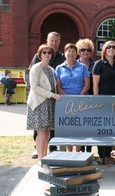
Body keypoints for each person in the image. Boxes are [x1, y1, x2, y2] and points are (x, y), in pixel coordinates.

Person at [28, 31, 65, 159]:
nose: (47, 54)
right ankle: (39, 155)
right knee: (41, 131)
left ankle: (45, 155)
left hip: (50, 102)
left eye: (49, 53)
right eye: (44, 52)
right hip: (39, 102)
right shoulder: (36, 66)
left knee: (47, 131)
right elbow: (34, 85)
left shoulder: (52, 68)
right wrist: (51, 95)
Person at [92, 40, 115, 164]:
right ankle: (102, 155)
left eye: (114, 47)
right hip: (102, 100)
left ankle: (109, 153)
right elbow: (95, 83)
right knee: (102, 127)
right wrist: (96, 100)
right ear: (105, 49)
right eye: (109, 47)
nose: (111, 49)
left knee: (112, 127)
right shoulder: (98, 64)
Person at [54, 43, 90, 152]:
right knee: (68, 128)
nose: (70, 53)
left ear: (76, 54)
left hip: (81, 101)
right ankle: (69, 152)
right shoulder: (59, 68)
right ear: (65, 53)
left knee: (79, 128)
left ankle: (78, 152)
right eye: (68, 51)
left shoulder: (82, 67)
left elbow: (87, 84)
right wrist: (68, 98)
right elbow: (58, 86)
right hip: (65, 102)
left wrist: (78, 97)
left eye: (73, 51)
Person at [75, 38, 95, 152]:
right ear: (78, 51)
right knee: (79, 126)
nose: (85, 52)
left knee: (89, 125)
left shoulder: (94, 64)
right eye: (83, 50)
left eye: (88, 50)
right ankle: (80, 150)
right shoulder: (75, 64)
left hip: (90, 98)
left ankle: (89, 150)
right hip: (78, 99)